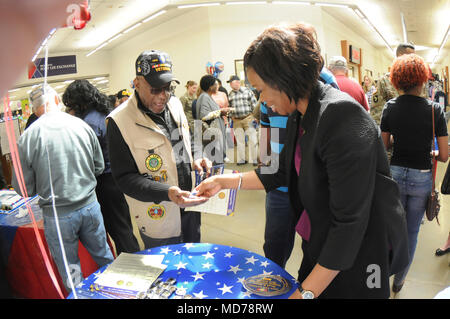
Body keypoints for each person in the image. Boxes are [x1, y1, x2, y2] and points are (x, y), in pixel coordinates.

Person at [195, 22, 409, 299]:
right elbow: (278, 172)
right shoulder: (300, 115)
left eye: (262, 89)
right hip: (321, 245)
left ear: (284, 78)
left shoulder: (341, 117)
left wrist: (305, 295)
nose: (261, 99)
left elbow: (349, 226)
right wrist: (223, 181)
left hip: (358, 260)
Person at [12, 84, 114, 291]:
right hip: (90, 207)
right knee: (104, 257)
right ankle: (118, 292)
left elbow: (24, 190)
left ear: (33, 109)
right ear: (57, 100)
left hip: (58, 218)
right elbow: (99, 166)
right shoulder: (82, 125)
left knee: (71, 270)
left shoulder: (28, 138)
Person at [106, 50, 211, 249]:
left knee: (193, 261)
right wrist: (166, 192)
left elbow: (187, 139)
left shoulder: (175, 104)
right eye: (155, 89)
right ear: (137, 83)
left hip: (190, 206)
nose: (163, 96)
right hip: (159, 215)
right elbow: (124, 178)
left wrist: (197, 155)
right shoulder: (118, 121)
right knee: (166, 272)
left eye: (168, 88)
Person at [259, 58, 341, 269]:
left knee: (315, 247)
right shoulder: (268, 94)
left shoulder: (324, 83)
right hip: (279, 184)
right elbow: (265, 138)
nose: (261, 97)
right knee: (274, 247)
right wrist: (265, 171)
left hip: (312, 186)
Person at [380, 53, 448, 293]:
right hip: (422, 177)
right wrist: (428, 152)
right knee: (411, 231)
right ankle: (399, 281)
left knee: (389, 227)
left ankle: (380, 274)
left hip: (395, 174)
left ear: (397, 81)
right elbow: (444, 155)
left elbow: (384, 146)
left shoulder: (390, 107)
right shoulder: (435, 110)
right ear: (422, 80)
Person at [62, 79, 140, 255]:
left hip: (104, 180)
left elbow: (88, 160)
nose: (71, 110)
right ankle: (132, 263)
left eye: (72, 105)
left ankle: (134, 268)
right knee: (123, 227)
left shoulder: (88, 123)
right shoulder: (103, 112)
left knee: (118, 230)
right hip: (115, 178)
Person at [374, 43, 416, 125]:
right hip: (393, 132)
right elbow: (377, 114)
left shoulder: (419, 81)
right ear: (399, 57)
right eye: (410, 57)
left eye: (414, 57)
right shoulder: (384, 81)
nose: (413, 60)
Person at [196, 75, 229, 164]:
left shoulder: (207, 96)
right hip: (211, 136)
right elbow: (204, 115)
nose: (217, 86)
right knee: (215, 160)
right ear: (210, 87)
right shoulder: (204, 97)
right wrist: (220, 112)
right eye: (216, 84)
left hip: (215, 134)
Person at [227, 75, 258, 165]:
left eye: (231, 83)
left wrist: (255, 117)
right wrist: (231, 116)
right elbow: (229, 107)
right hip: (236, 120)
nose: (230, 85)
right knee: (240, 141)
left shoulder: (247, 91)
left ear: (237, 82)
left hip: (248, 118)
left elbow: (255, 105)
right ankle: (242, 159)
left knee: (252, 139)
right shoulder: (230, 94)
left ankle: (255, 159)